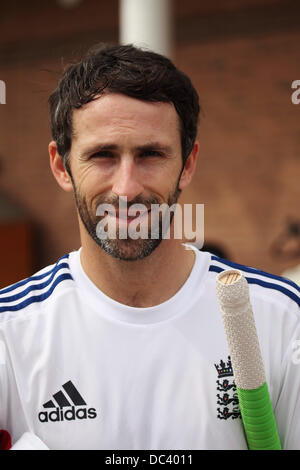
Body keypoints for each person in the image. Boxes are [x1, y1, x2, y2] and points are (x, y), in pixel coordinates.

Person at [0, 44, 299, 451]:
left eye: (150, 154)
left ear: (187, 164)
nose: (127, 188)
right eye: (103, 155)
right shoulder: (9, 333)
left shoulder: (282, 318)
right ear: (61, 166)